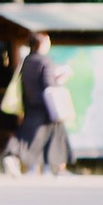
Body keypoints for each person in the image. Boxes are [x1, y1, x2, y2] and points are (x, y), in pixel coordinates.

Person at [13, 32, 73, 176]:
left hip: (31, 103)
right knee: (54, 136)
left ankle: (35, 167)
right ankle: (53, 168)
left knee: (33, 135)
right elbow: (48, 83)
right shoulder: (45, 61)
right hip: (47, 105)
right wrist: (61, 78)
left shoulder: (27, 60)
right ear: (41, 44)